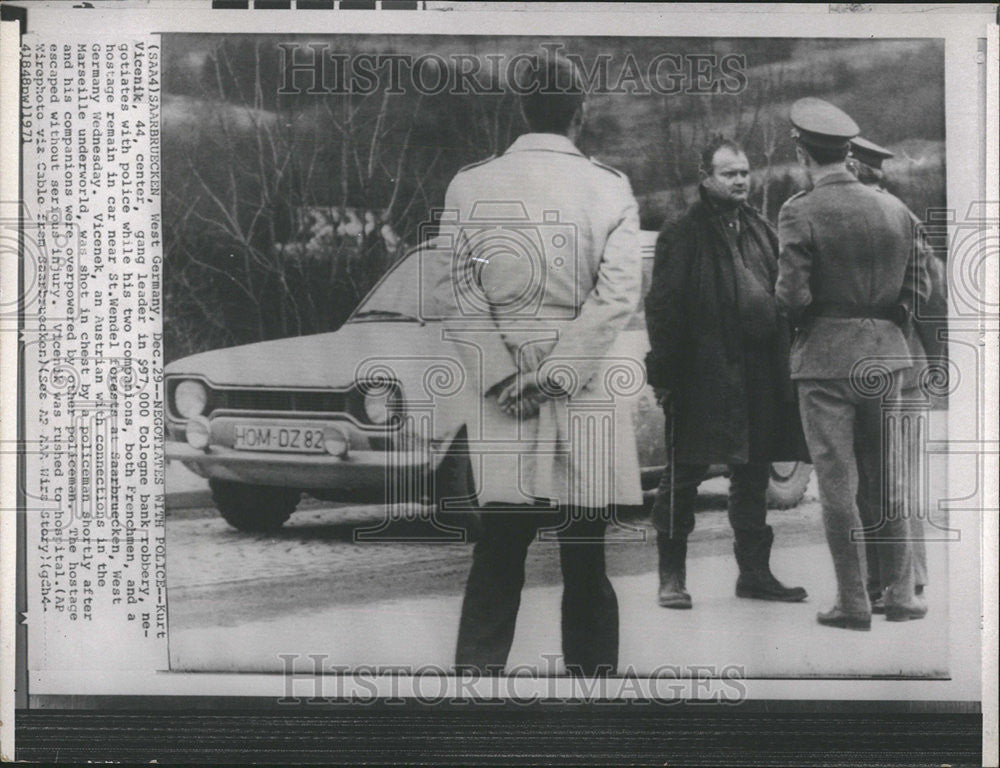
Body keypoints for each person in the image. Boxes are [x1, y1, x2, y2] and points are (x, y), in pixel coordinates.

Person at [432, 54, 643, 676]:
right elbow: (617, 297)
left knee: (497, 551)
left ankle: (475, 686)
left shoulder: (470, 184)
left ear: (521, 110)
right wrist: (557, 374)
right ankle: (593, 694)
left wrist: (504, 375)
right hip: (583, 389)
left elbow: (453, 293)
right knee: (586, 555)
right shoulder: (610, 187)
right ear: (581, 113)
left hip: (505, 395)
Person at [776, 98, 930, 631]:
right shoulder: (894, 208)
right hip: (889, 359)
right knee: (890, 484)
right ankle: (902, 595)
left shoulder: (800, 210)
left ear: (802, 149)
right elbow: (920, 287)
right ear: (847, 150)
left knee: (837, 485)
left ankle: (852, 602)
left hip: (825, 363)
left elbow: (791, 295)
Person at [643, 135, 808, 611]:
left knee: (752, 475)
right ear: (705, 176)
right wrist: (666, 378)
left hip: (757, 375)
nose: (740, 180)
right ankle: (671, 578)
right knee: (683, 477)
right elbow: (664, 309)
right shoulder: (682, 231)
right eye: (728, 173)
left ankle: (754, 575)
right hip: (702, 377)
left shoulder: (757, 226)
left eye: (743, 171)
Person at [847, 135, 940, 610]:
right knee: (893, 477)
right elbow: (931, 295)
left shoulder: (880, 221)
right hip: (898, 370)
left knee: (882, 478)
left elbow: (926, 297)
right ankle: (902, 578)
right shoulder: (902, 218)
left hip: (887, 370)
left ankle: (893, 579)